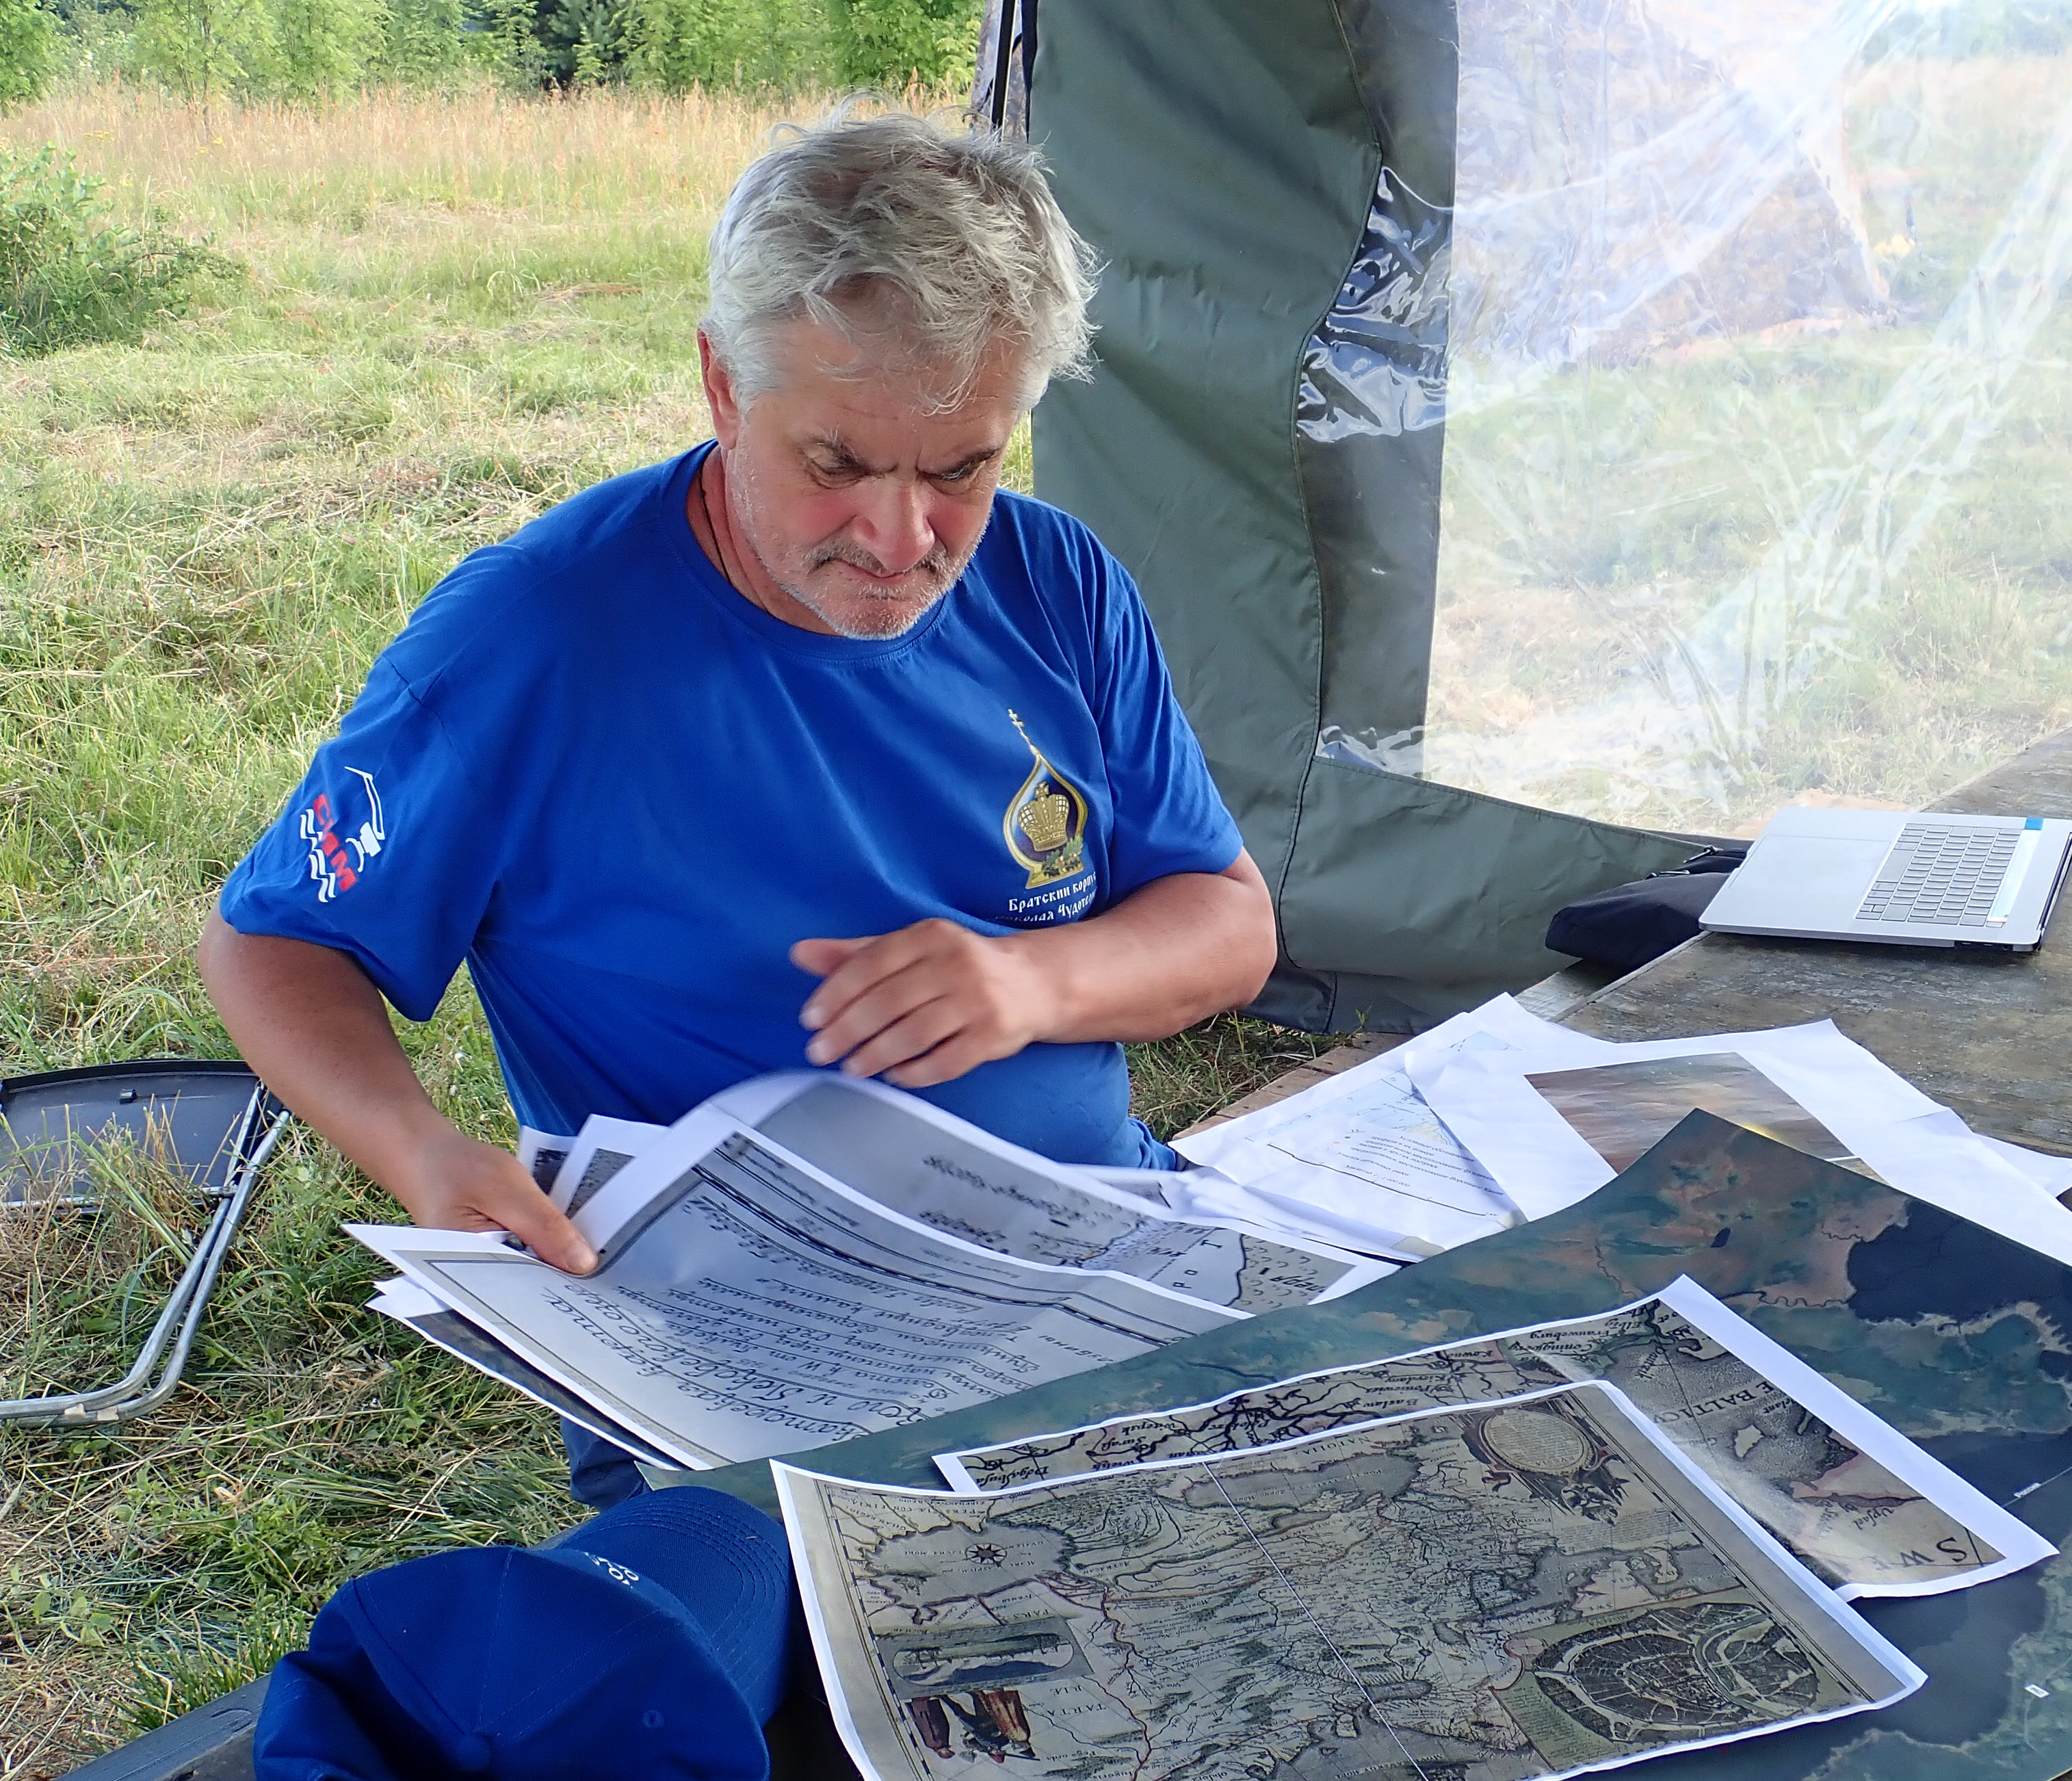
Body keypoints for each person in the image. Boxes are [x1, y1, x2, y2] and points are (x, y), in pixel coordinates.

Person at [200, 111, 1276, 1506]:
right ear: (722, 384)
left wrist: (1032, 982)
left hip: (1091, 1258)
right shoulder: (536, 640)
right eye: (836, 465)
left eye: (961, 469)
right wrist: (418, 1149)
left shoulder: (1055, 582)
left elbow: (1226, 924)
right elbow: (275, 942)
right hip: (747, 1343)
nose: (901, 540)